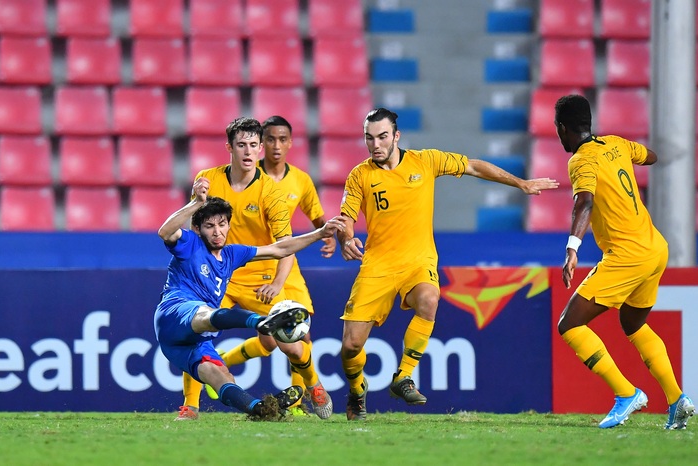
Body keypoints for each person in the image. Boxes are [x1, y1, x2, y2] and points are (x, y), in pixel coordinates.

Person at [336, 108, 560, 420]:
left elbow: (473, 166)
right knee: (350, 346)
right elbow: (346, 217)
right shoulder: (360, 175)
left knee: (429, 298)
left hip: (418, 261)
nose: (375, 144)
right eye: (369, 138)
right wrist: (346, 239)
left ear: (396, 136)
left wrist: (520, 183)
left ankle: (402, 376)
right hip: (378, 266)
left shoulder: (425, 161)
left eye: (382, 136)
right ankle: (357, 391)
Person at [176, 117, 333, 421]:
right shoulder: (208, 180)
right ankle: (190, 406)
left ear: (260, 149)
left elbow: (285, 246)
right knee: (195, 333)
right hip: (218, 277)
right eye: (241, 145)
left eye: (252, 145)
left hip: (260, 279)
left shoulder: (270, 193)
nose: (248, 152)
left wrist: (276, 283)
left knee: (288, 343)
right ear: (229, 148)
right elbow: (190, 228)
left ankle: (314, 383)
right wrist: (196, 202)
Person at [553, 94, 695, 429]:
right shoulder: (616, 143)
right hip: (655, 248)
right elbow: (650, 156)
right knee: (633, 324)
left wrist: (572, 247)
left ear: (562, 128)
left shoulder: (580, 161)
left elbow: (584, 202)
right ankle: (676, 400)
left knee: (569, 324)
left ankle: (626, 394)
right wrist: (630, 159)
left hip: (627, 255)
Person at [154, 177, 343, 419]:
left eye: (222, 224)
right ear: (198, 229)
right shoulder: (190, 244)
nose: (217, 231)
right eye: (210, 226)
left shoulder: (233, 254)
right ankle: (261, 323)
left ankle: (260, 409)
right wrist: (196, 203)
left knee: (221, 376)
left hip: (187, 343)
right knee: (205, 315)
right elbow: (164, 231)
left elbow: (279, 249)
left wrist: (319, 233)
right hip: (175, 314)